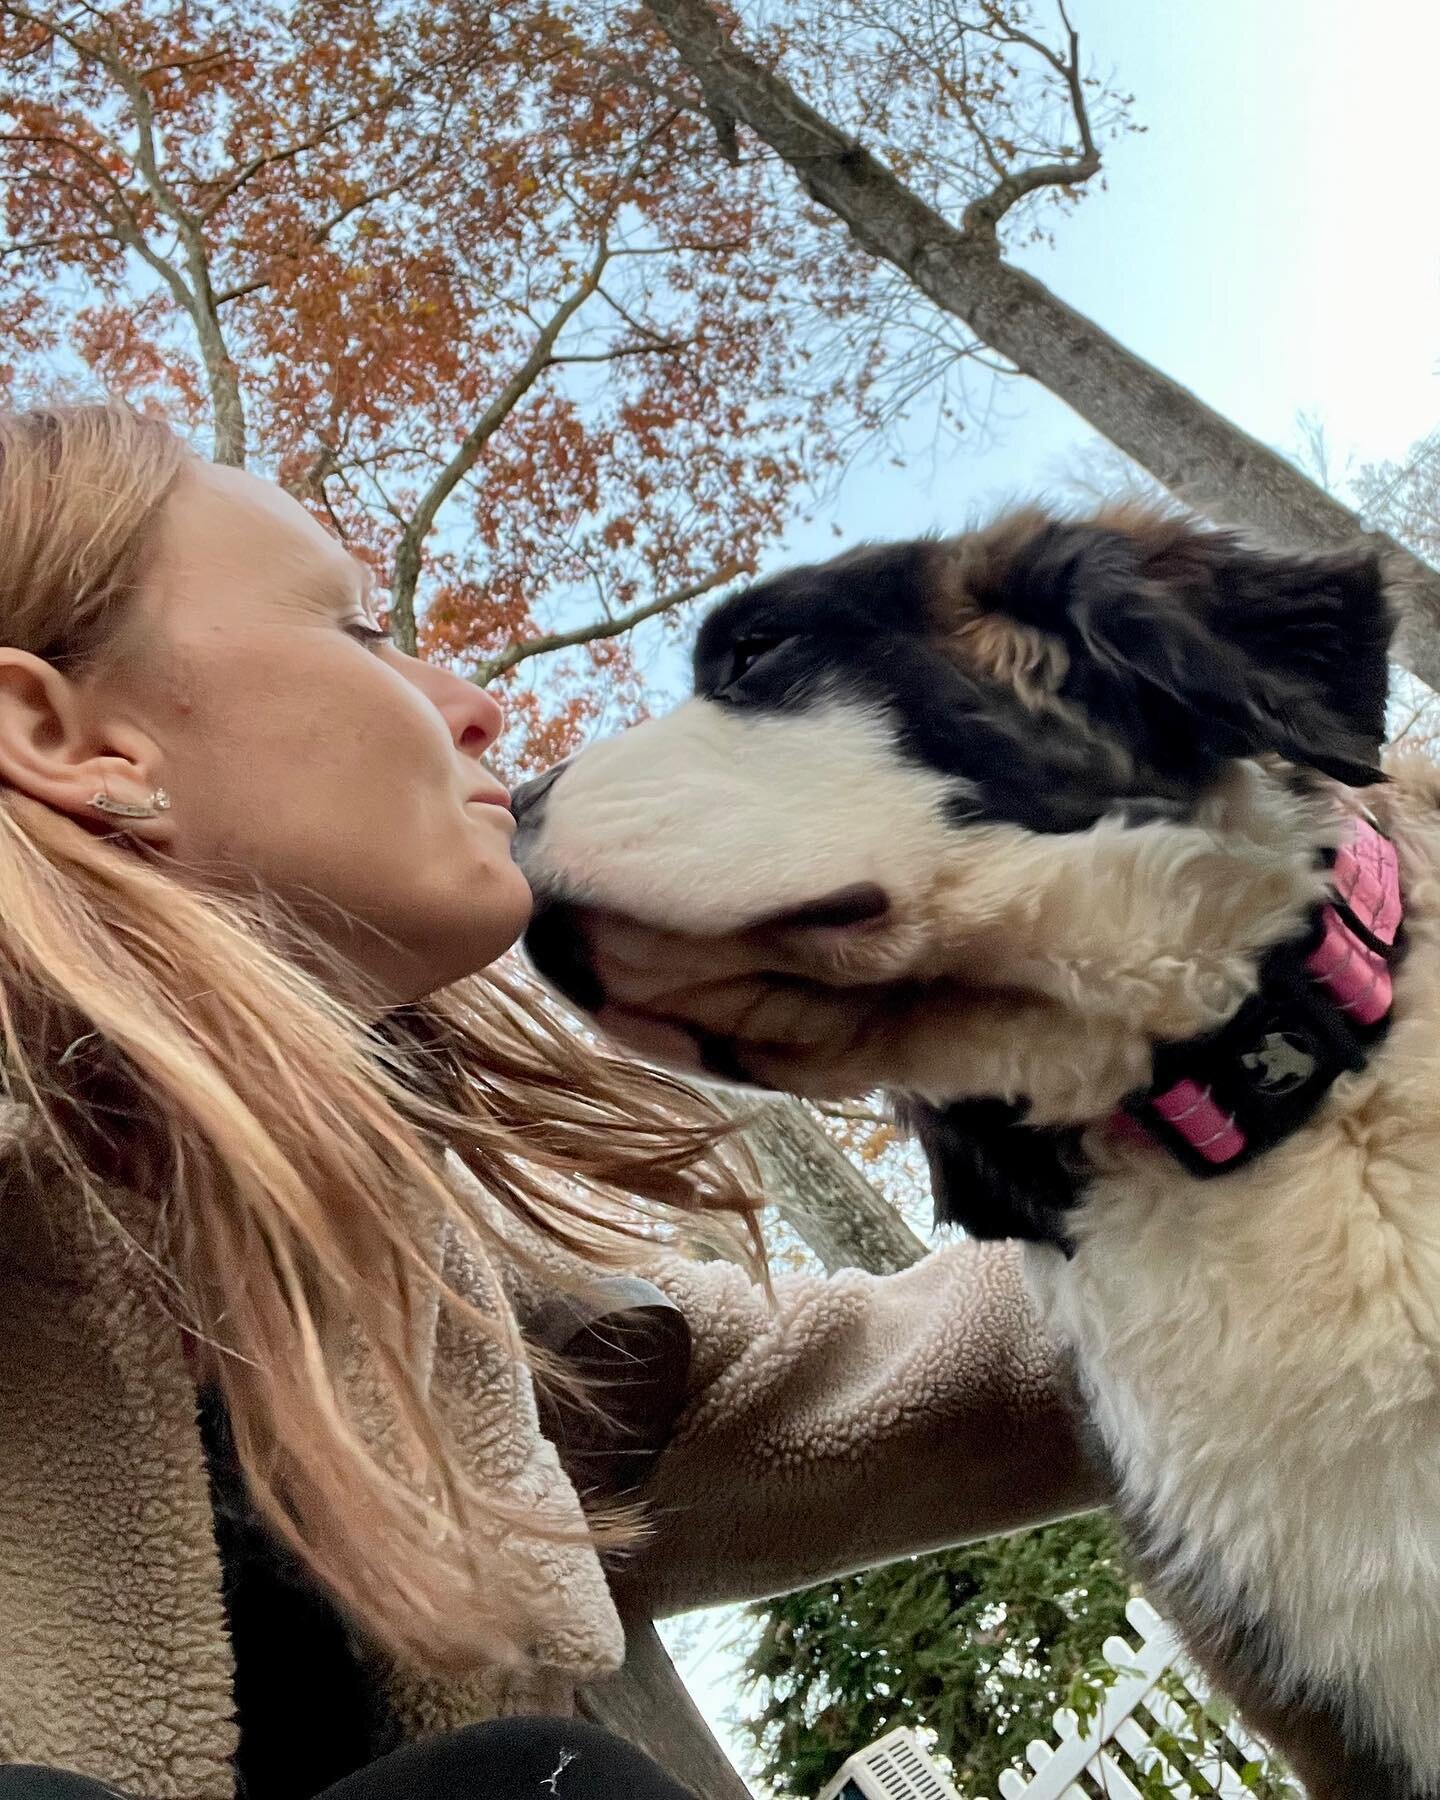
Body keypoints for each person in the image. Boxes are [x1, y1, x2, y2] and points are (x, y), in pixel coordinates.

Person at [0, 402, 1103, 1800]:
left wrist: (1320, 1132)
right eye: (357, 634)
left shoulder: (466, 1313)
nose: (476, 704)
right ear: (65, 733)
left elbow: (977, 1365)